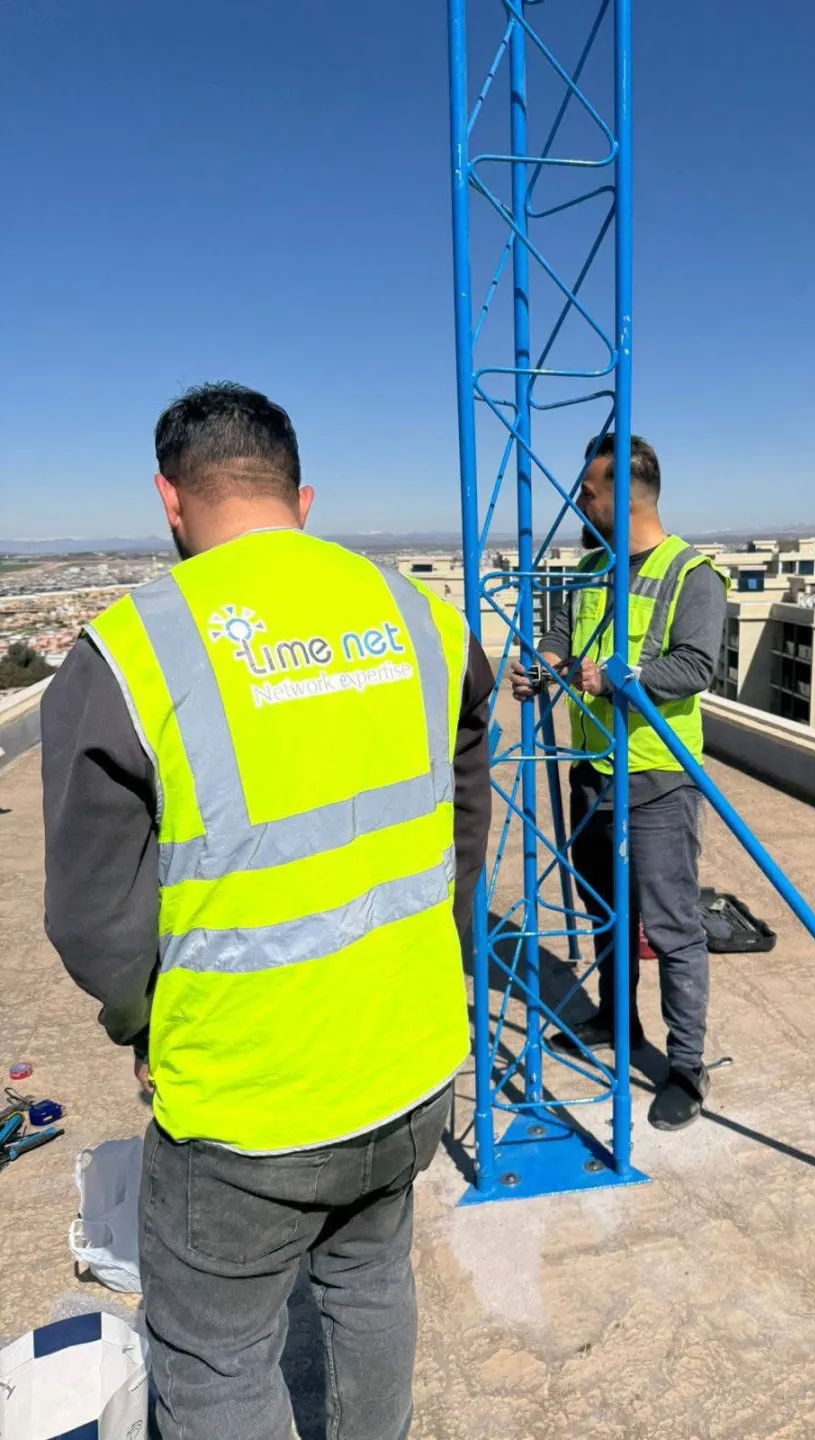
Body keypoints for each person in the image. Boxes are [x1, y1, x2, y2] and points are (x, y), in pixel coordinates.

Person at [41, 382, 493, 1440]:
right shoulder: (420, 618)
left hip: (249, 1097)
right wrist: (439, 936)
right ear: (302, 498)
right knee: (370, 1284)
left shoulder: (131, 652)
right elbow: (467, 799)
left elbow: (92, 919)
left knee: (217, 1360)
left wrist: (143, 1022)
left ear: (169, 498)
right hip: (412, 1057)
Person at [511, 434, 727, 1132]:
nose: (580, 501)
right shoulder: (591, 568)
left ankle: (686, 1068)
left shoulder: (689, 574)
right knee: (604, 908)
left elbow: (695, 665)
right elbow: (559, 637)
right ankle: (615, 1017)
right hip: (594, 771)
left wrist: (610, 679)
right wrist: (543, 666)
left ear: (626, 495)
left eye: (590, 490)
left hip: (657, 779)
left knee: (670, 925)